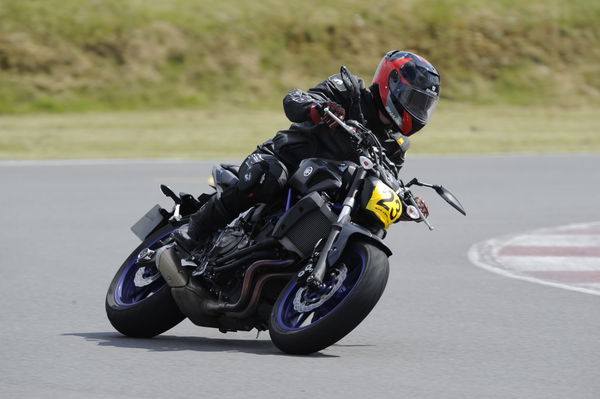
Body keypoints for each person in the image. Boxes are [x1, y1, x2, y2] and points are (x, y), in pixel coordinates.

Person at [175, 50, 441, 251]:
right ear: (391, 83)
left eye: (424, 104)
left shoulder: (396, 145)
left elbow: (387, 176)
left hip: (331, 190)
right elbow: (295, 98)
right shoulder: (349, 91)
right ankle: (197, 228)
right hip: (288, 161)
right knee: (268, 175)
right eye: (414, 99)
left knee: (372, 217)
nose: (417, 109)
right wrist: (318, 108)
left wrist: (405, 202)